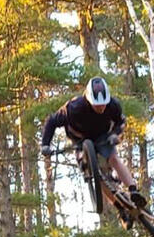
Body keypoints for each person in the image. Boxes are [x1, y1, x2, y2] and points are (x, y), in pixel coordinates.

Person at [41, 77, 147, 208]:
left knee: (113, 158)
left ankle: (133, 190)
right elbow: (51, 121)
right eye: (97, 105)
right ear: (89, 100)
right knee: (94, 172)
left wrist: (115, 135)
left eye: (103, 104)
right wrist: (45, 144)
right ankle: (118, 207)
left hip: (103, 136)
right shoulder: (73, 108)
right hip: (79, 139)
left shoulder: (113, 106)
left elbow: (121, 122)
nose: (101, 107)